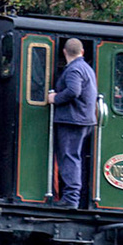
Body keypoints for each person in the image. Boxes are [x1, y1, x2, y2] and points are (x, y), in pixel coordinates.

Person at [48, 38, 97, 208]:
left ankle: (71, 199)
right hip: (83, 119)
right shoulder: (86, 68)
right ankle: (76, 196)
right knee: (76, 158)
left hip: (72, 119)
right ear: (82, 52)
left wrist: (55, 98)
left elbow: (73, 91)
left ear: (64, 52)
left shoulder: (74, 69)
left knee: (69, 157)